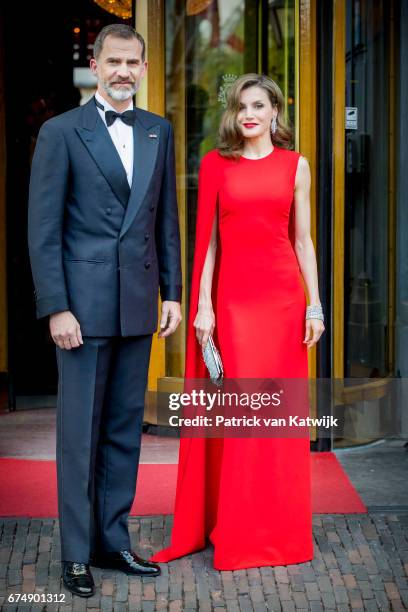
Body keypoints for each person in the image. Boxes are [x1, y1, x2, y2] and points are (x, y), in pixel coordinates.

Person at [28, 24, 182, 597]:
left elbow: (165, 218)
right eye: (113, 61)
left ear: (143, 69)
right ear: (95, 65)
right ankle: (74, 554)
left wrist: (172, 293)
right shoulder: (60, 132)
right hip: (81, 311)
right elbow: (43, 231)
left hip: (138, 305)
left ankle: (112, 540)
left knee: (123, 432)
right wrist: (56, 308)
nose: (122, 71)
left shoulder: (157, 131)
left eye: (132, 63)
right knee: (78, 436)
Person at [151, 73, 324, 570]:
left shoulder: (297, 166)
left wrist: (315, 305)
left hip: (284, 303)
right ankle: (237, 529)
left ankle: (278, 533)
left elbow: (303, 242)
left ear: (275, 112)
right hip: (233, 304)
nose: (249, 114)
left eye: (259, 105)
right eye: (241, 106)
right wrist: (202, 304)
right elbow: (205, 243)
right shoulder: (214, 167)